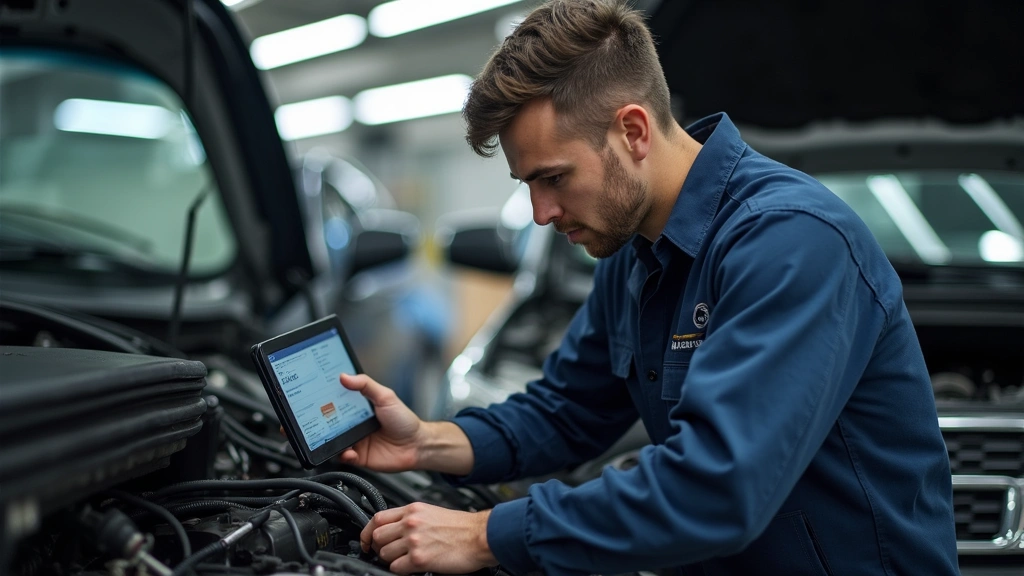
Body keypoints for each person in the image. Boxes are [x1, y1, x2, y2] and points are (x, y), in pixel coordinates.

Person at [336, 0, 960, 574]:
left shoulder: (791, 241)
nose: (540, 213)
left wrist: (483, 535)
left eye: (553, 177)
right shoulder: (635, 254)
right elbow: (567, 410)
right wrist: (428, 441)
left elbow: (716, 488)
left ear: (633, 131)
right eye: (527, 184)